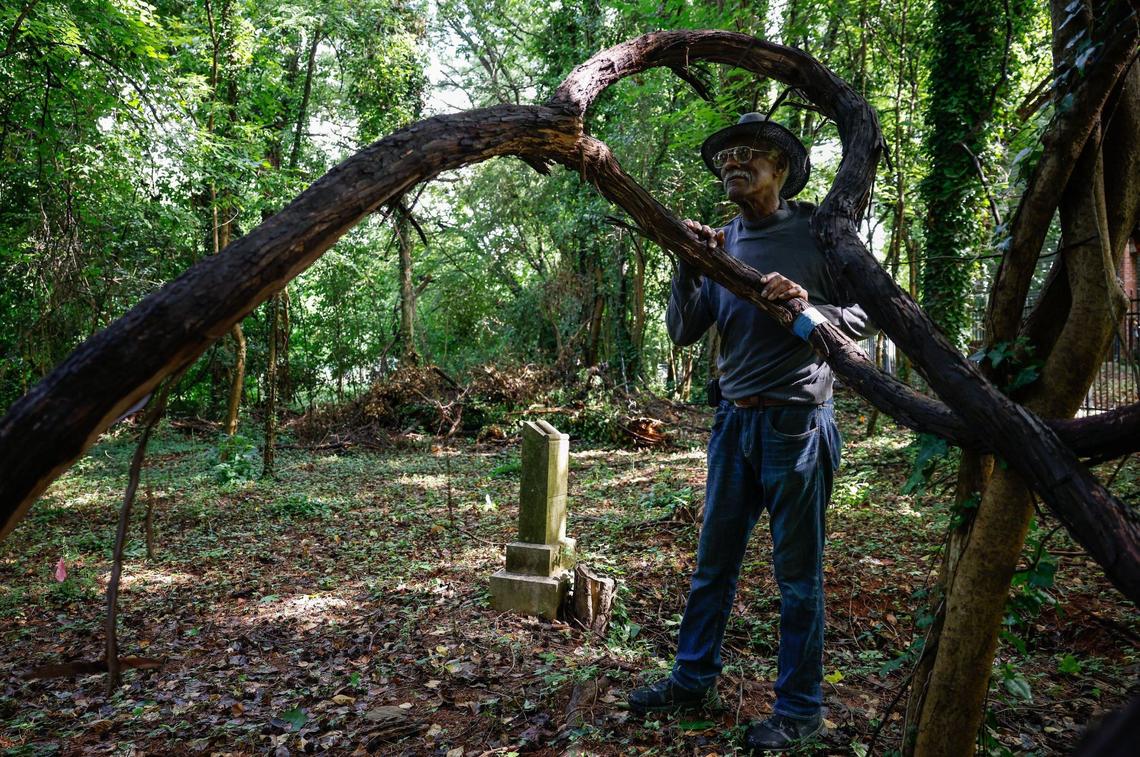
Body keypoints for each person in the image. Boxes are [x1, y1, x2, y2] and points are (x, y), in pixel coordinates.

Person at [627, 113, 876, 753]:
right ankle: (692, 680)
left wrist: (807, 306)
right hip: (732, 424)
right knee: (713, 566)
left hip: (797, 426)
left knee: (797, 578)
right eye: (727, 156)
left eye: (750, 154)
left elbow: (865, 317)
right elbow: (683, 329)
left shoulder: (818, 231)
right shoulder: (724, 242)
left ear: (782, 167)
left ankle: (800, 710)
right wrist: (689, 263)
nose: (734, 163)